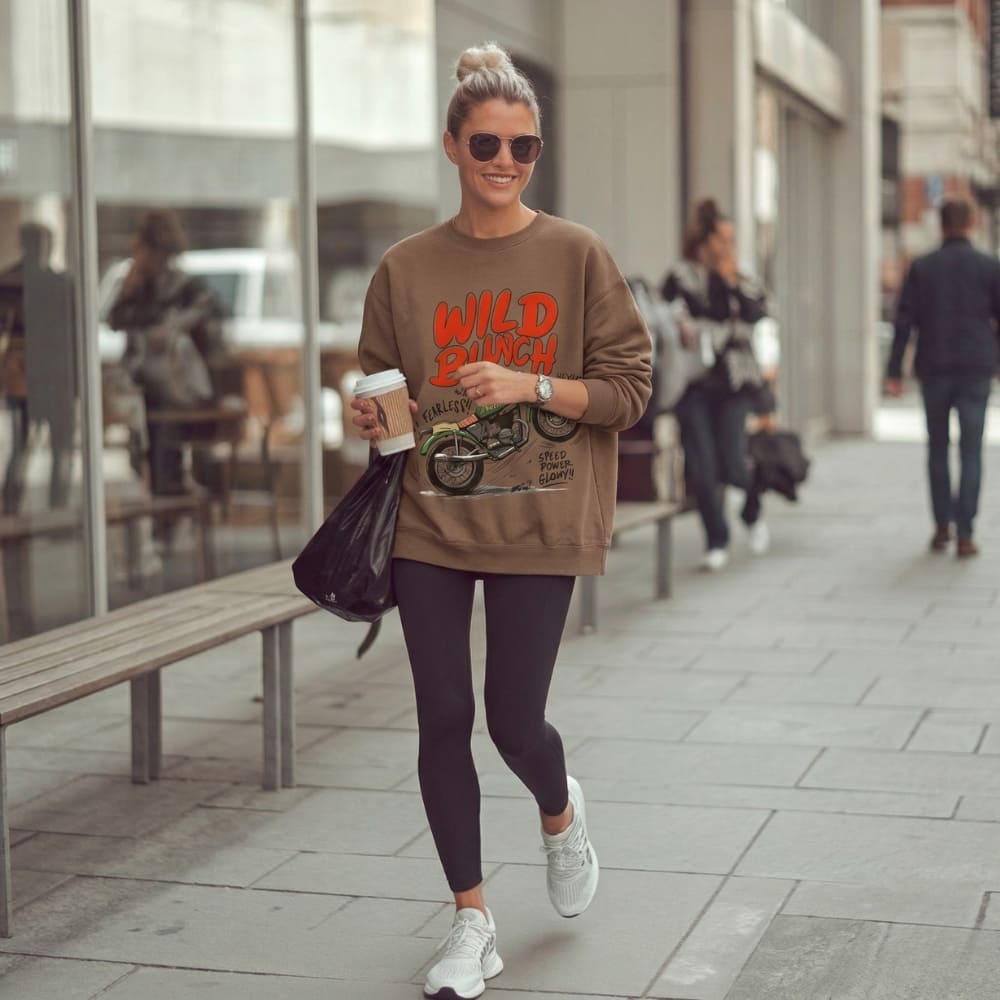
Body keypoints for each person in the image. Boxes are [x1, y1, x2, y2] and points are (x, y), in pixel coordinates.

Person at [350, 42, 652, 1000]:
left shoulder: (576, 254)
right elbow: (379, 389)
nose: (506, 162)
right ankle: (470, 922)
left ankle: (560, 813)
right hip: (430, 523)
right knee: (444, 716)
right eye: (487, 144)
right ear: (452, 145)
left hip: (541, 519)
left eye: (524, 147)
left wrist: (531, 384)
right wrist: (370, 416)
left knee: (515, 721)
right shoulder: (404, 268)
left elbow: (629, 388)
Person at [885, 195, 1000, 558]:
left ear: (941, 225)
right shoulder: (989, 266)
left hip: (934, 367)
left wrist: (893, 371)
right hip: (975, 369)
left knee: (937, 449)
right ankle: (965, 533)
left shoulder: (923, 267)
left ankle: (941, 526)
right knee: (971, 451)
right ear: (971, 224)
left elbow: (904, 322)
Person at [661, 198, 772, 571]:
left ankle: (752, 510)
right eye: (723, 239)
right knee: (702, 468)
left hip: (733, 384)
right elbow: (669, 320)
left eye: (731, 240)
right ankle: (716, 539)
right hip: (691, 385)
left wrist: (731, 283)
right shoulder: (679, 277)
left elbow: (758, 312)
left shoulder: (739, 276)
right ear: (704, 240)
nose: (728, 246)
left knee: (734, 465)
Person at [107, 209, 224, 497]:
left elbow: (210, 319)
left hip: (178, 387)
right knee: (147, 447)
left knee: (164, 444)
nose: (140, 257)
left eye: (144, 251)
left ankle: (173, 495)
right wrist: (129, 290)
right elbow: (114, 319)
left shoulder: (186, 287)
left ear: (158, 251)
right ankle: (168, 494)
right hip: (143, 385)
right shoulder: (138, 286)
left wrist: (173, 329)